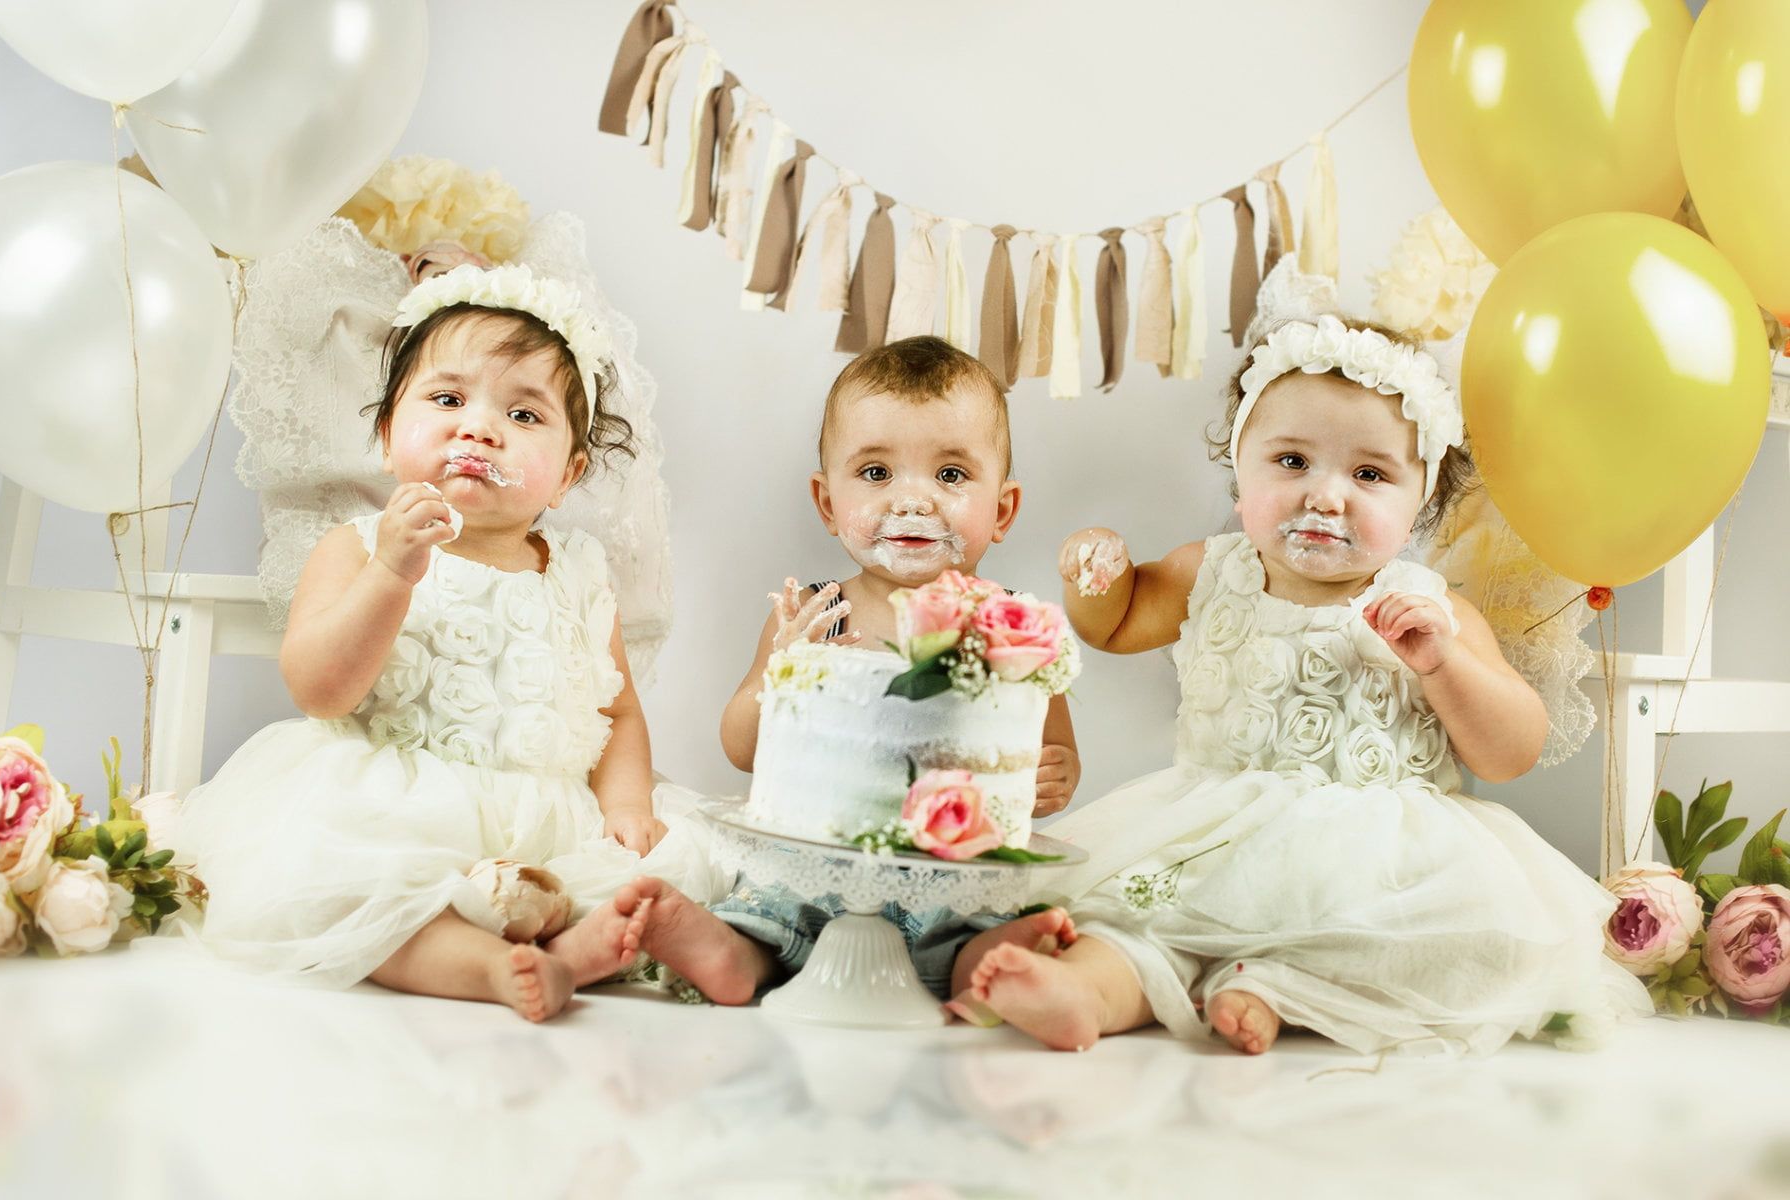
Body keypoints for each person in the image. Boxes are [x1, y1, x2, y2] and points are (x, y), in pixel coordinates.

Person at [952, 296, 1649, 1055]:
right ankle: (1089, 988)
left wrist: (1444, 664)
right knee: (1139, 914)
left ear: (1423, 500)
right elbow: (1115, 624)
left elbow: (1509, 750)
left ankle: (1278, 987)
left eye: (1371, 473)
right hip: (1210, 830)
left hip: (1383, 856)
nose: (1325, 494)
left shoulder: (1428, 608)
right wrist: (1096, 574)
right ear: (1240, 470)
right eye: (1291, 462)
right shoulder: (1211, 572)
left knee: (1407, 939)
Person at [177, 264, 725, 1021]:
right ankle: (496, 969)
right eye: (446, 399)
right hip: (397, 813)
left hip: (546, 822)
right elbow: (319, 689)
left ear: (566, 477)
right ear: (385, 434)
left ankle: (576, 943)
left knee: (656, 874)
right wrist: (392, 576)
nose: (479, 427)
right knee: (360, 895)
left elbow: (619, 712)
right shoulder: (356, 547)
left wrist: (626, 804)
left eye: (525, 415)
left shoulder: (579, 574)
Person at [631, 336, 1081, 1006]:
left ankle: (981, 969)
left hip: (951, 872)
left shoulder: (1012, 631)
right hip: (817, 865)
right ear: (827, 501)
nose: (914, 501)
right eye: (876, 474)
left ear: (1004, 509)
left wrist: (1057, 772)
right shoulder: (814, 617)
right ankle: (735, 954)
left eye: (951, 475)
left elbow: (1052, 748)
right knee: (773, 911)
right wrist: (778, 674)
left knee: (984, 920)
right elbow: (741, 748)